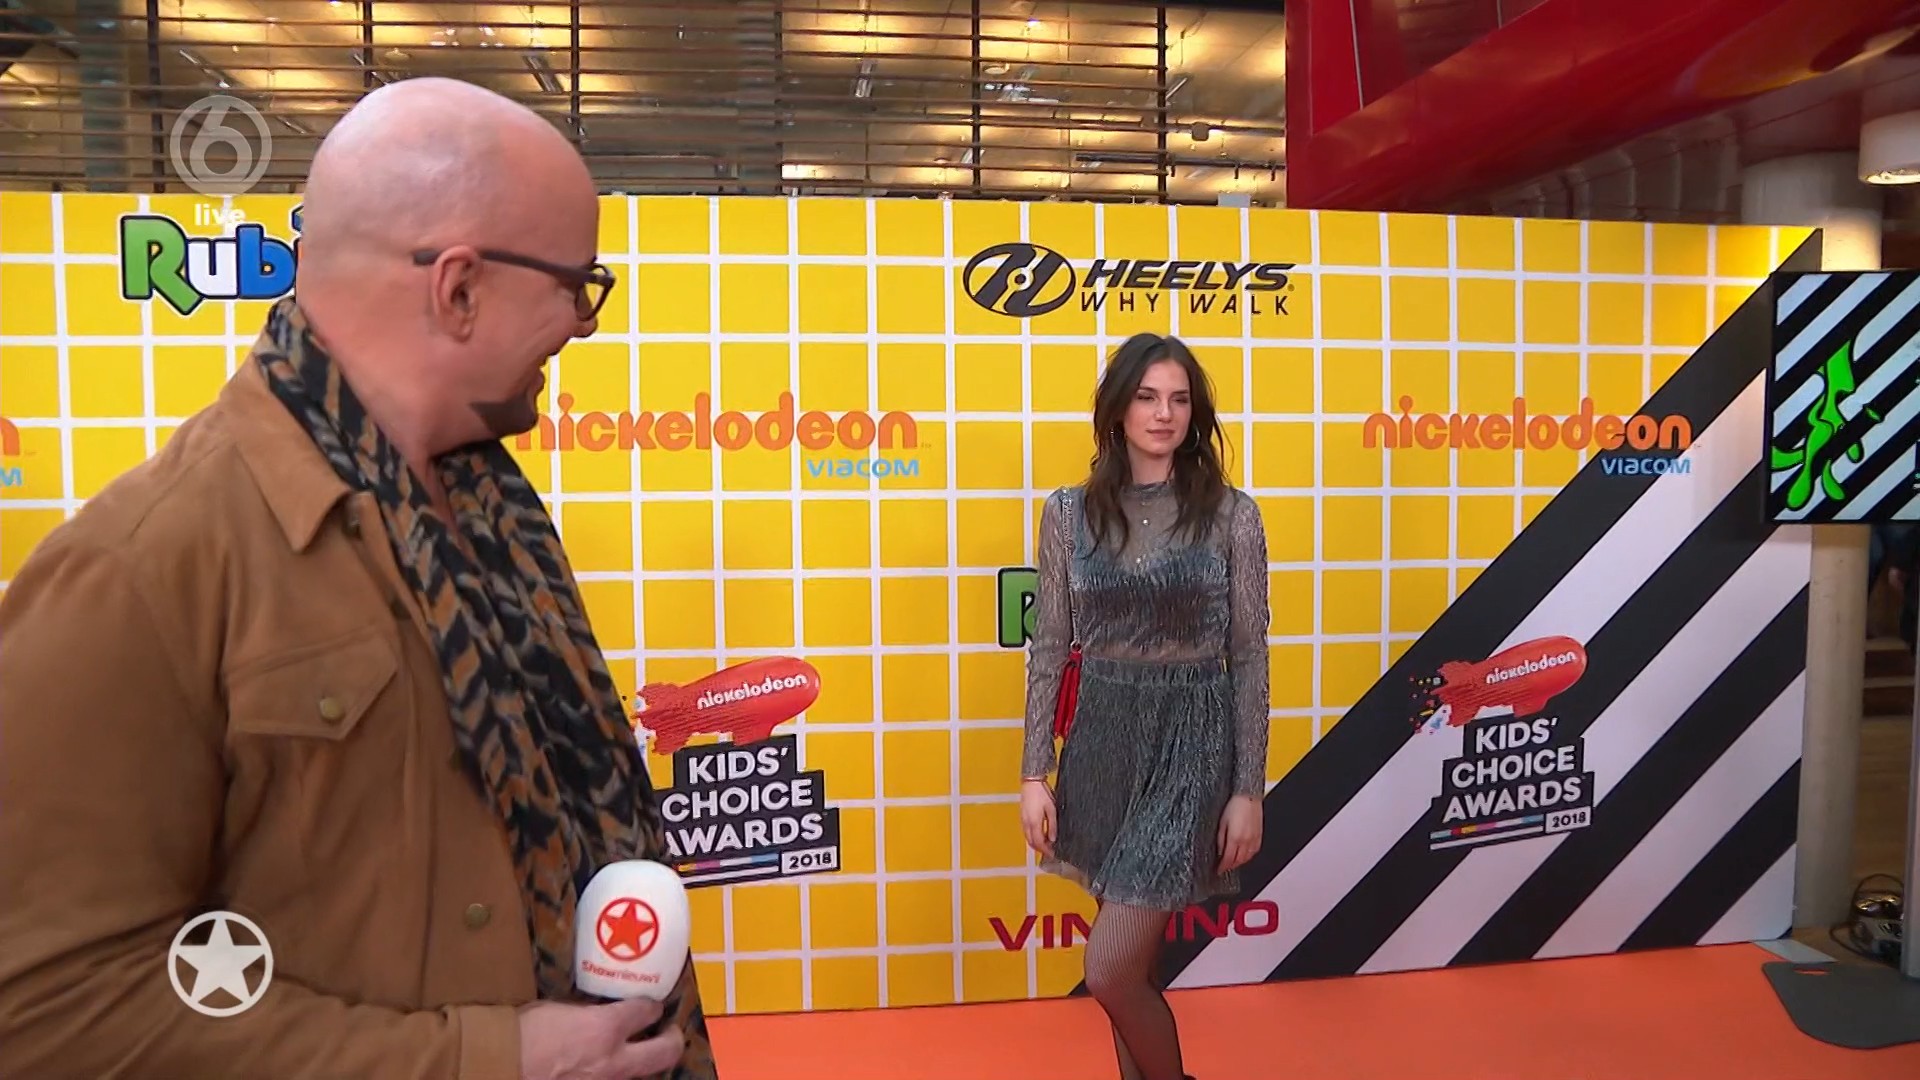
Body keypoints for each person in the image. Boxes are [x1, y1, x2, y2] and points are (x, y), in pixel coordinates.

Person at [0, 78, 715, 1080]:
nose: (584, 323)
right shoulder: (142, 568)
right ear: (458, 289)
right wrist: (481, 1061)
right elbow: (45, 1011)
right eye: (576, 283)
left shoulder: (489, 516)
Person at [1018, 333, 1271, 1080]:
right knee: (1133, 970)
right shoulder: (1068, 514)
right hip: (1102, 742)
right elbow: (1049, 646)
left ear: (1195, 414)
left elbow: (1250, 656)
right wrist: (1034, 772)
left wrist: (1248, 788)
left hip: (1193, 744)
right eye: (1147, 396)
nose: (1164, 414)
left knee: (1109, 970)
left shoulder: (1232, 515)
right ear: (1118, 410)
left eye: (1179, 399)